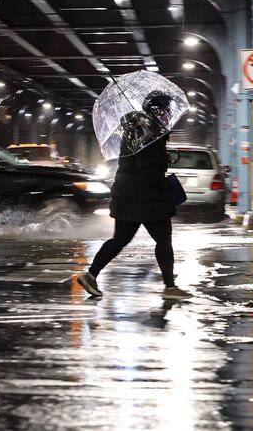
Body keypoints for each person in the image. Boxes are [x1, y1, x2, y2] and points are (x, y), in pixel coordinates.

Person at [78, 97, 192, 300]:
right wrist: (164, 180)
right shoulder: (149, 133)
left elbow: (139, 162)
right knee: (164, 240)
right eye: (165, 111)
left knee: (119, 240)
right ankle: (170, 288)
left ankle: (91, 275)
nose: (167, 115)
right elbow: (147, 169)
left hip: (128, 195)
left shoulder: (137, 129)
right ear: (157, 111)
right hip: (146, 198)